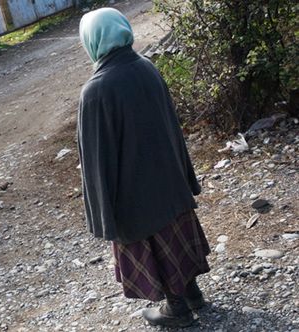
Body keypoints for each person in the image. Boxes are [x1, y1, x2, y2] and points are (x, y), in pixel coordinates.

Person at [78, 8, 211, 328]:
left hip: (136, 199)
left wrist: (103, 217)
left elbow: (96, 162)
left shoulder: (95, 92)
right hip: (170, 183)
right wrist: (186, 178)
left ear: (92, 41)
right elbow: (173, 129)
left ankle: (177, 308)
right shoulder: (147, 68)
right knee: (177, 236)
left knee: (152, 242)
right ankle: (192, 292)